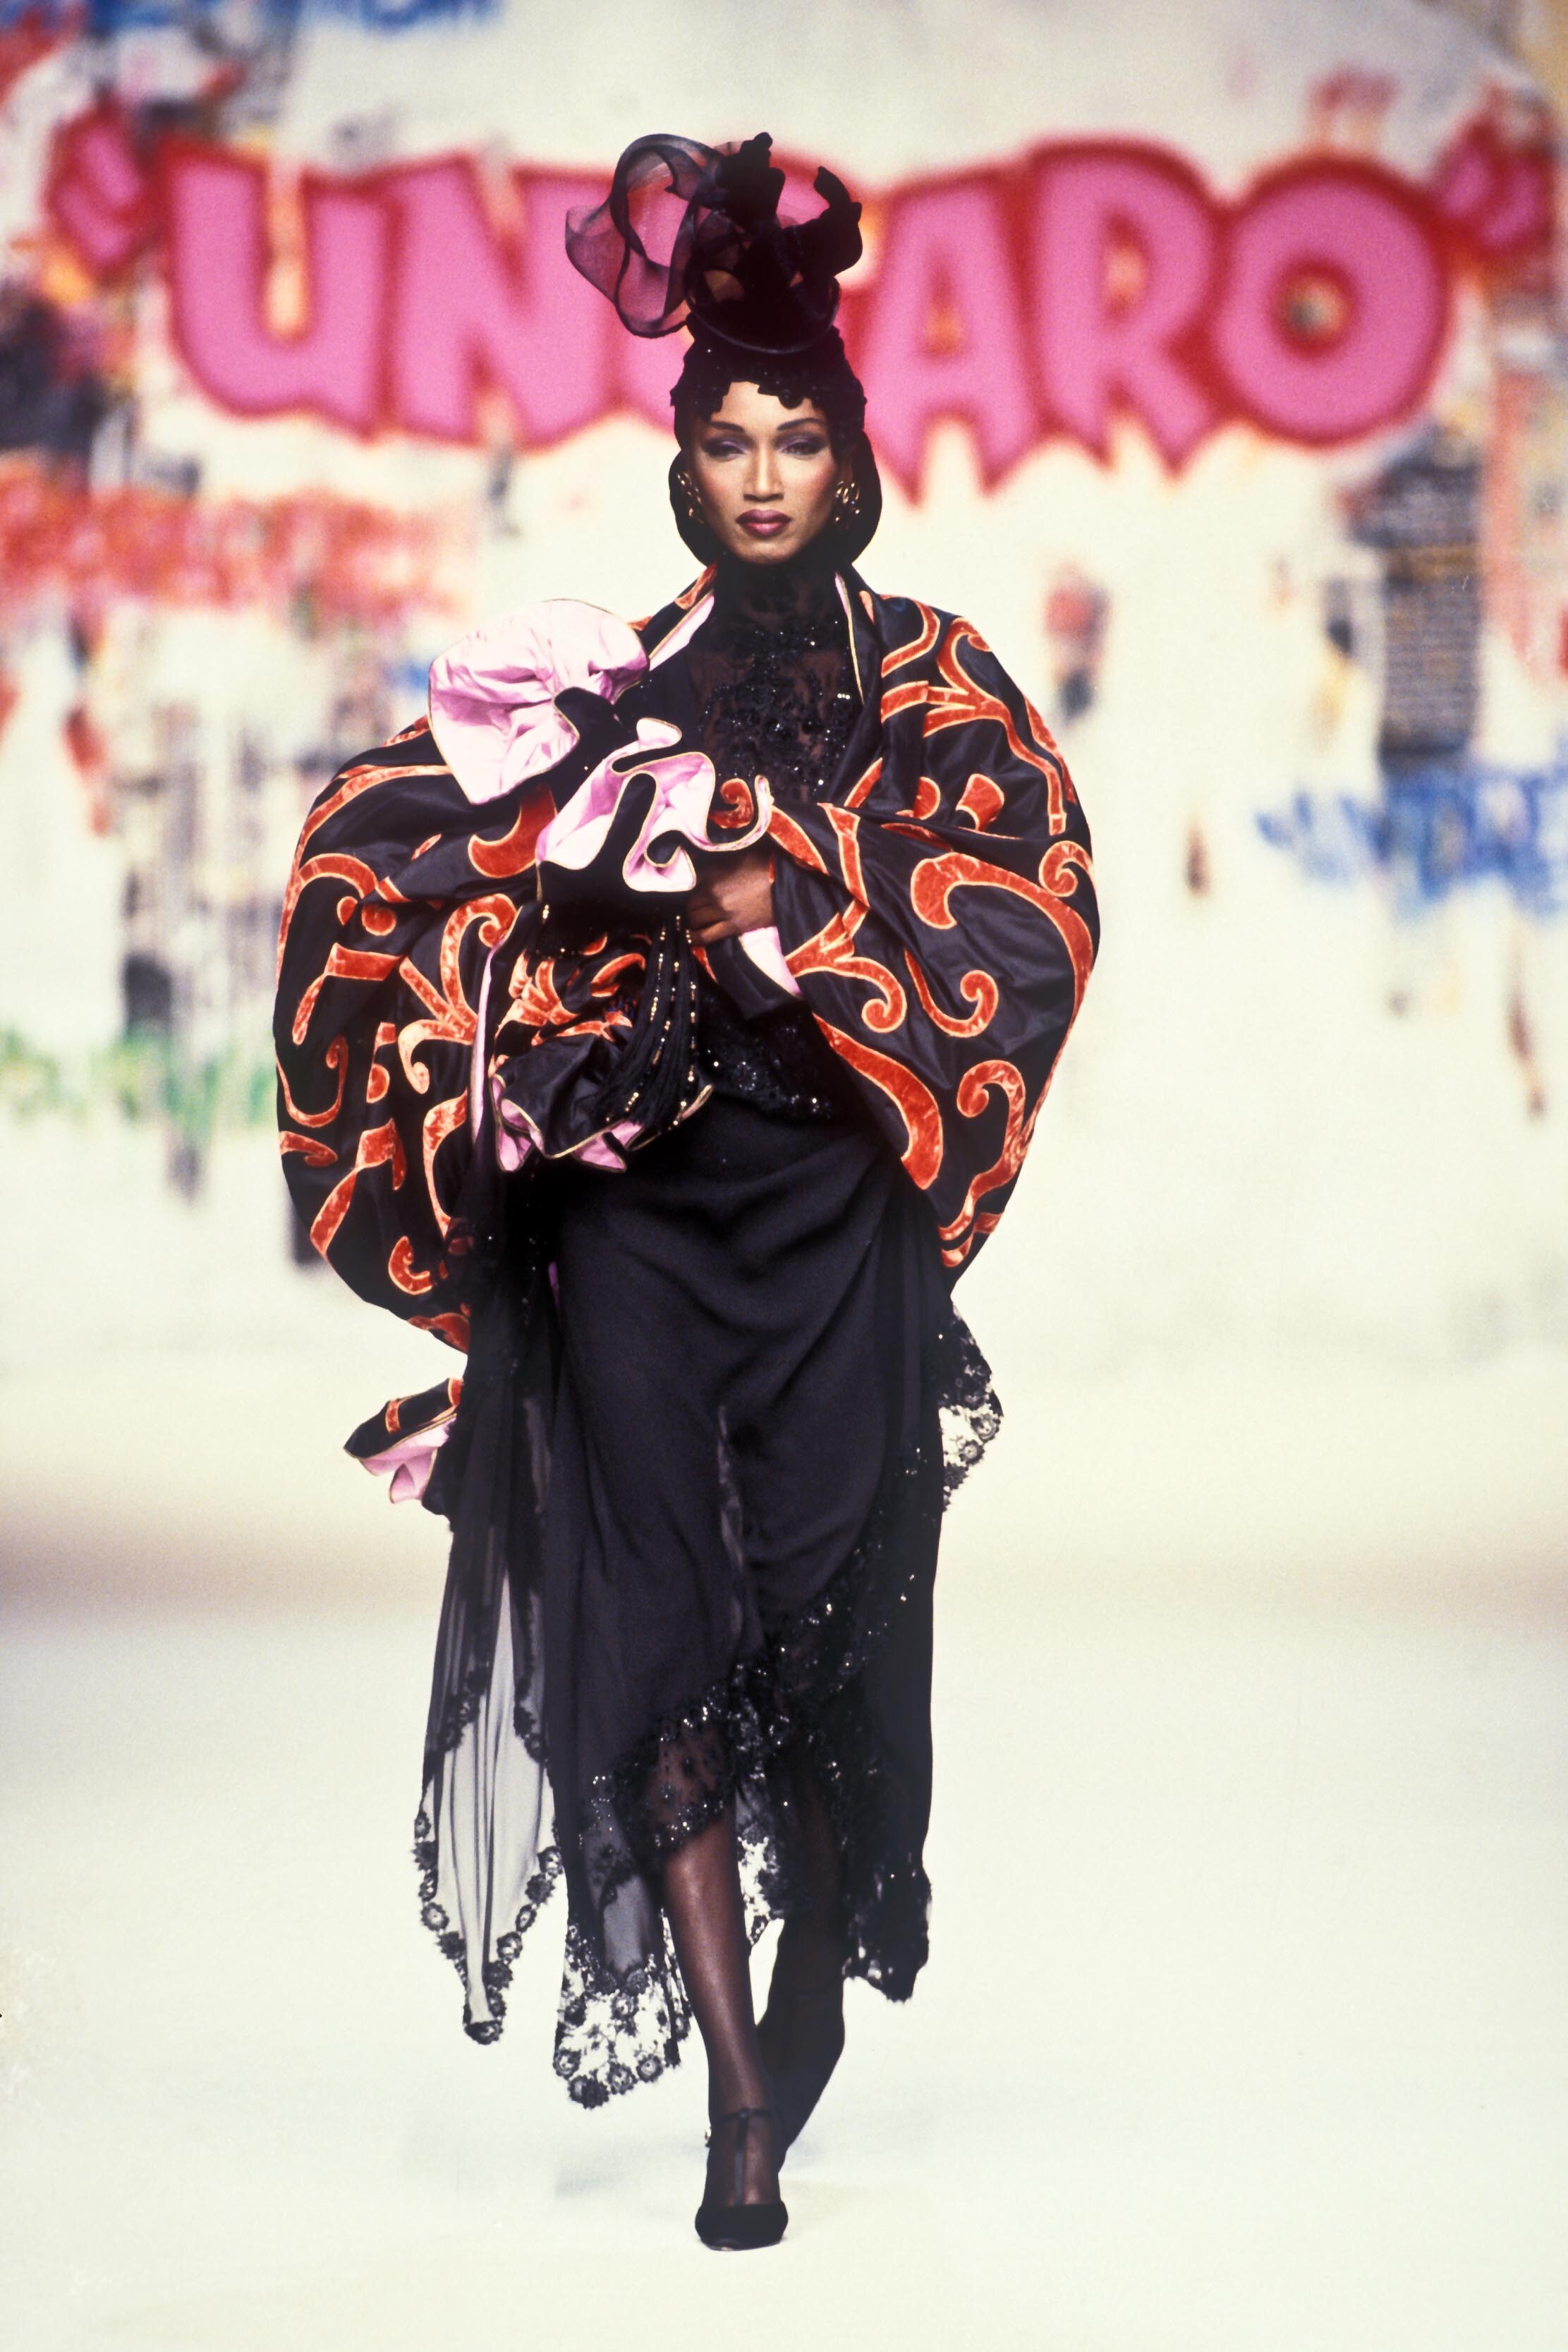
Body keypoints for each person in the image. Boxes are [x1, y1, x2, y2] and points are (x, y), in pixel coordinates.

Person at [274, 131, 1098, 2251]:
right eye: (727, 439)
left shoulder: (934, 682)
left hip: (828, 1224)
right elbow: (415, 858)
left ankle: (807, 1987)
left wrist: (783, 882)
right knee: (655, 1624)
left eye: (794, 437)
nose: (761, 475)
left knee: (816, 1631)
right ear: (684, 462)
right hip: (638, 1221)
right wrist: (593, 933)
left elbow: (1034, 915)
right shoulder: (603, 679)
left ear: (850, 456)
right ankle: (739, 2103)